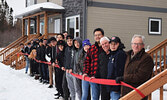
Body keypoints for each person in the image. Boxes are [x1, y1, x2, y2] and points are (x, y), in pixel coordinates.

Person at [116, 34, 154, 100]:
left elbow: (140, 77)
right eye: (134, 43)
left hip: (138, 93)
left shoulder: (146, 58)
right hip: (126, 92)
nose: (136, 46)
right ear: (131, 44)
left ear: (143, 45)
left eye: (139, 44)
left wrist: (124, 78)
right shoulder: (127, 55)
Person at [83, 28, 104, 100]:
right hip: (93, 77)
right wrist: (86, 72)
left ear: (103, 35)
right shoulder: (91, 48)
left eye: (99, 35)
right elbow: (86, 62)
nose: (97, 37)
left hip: (104, 77)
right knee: (95, 97)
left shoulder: (106, 47)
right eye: (95, 35)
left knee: (105, 97)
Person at [62, 35, 73, 100]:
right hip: (66, 70)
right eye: (68, 41)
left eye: (71, 41)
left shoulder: (74, 49)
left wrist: (71, 68)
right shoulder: (66, 49)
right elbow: (65, 59)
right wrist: (65, 67)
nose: (69, 42)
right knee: (64, 85)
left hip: (73, 70)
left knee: (73, 87)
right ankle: (66, 97)